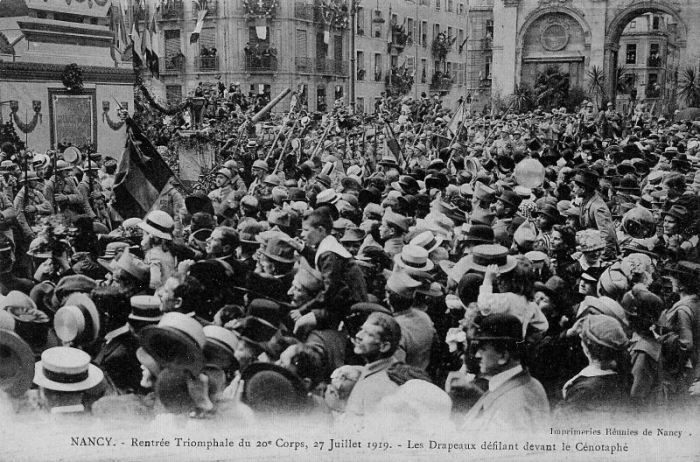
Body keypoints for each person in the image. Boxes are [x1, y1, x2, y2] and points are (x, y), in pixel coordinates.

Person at [461, 314, 550, 431]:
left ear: (503, 355)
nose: (477, 355)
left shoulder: (511, 407)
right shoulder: (530, 383)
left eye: (483, 349)